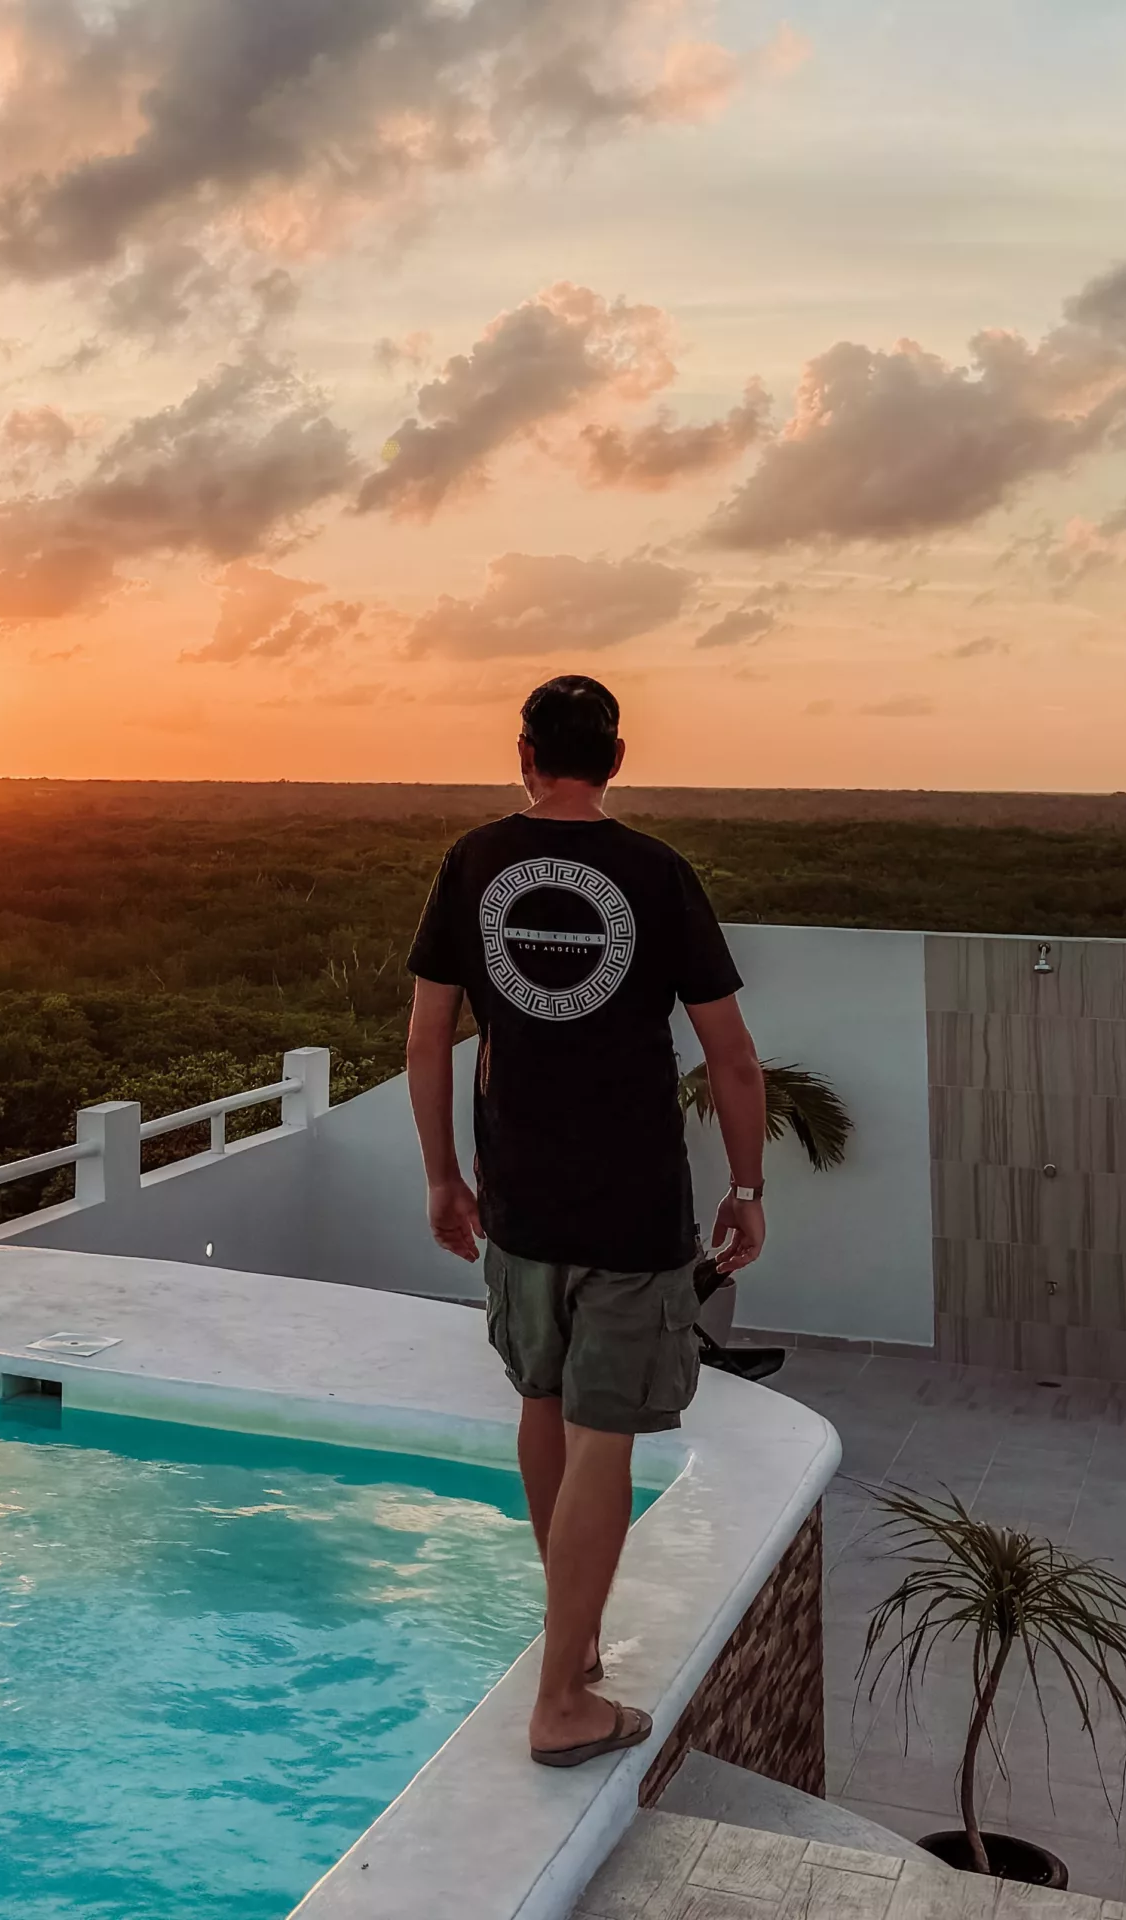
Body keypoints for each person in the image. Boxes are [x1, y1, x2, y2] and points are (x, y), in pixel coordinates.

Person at [404, 674, 769, 1768]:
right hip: (629, 1202)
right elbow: (734, 1058)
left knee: (542, 1401)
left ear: (524, 752)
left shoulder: (472, 862)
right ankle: (563, 1697)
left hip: (517, 1195)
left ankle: (577, 1641)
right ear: (616, 756)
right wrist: (746, 1190)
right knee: (599, 1431)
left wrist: (440, 1176)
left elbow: (427, 1042)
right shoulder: (655, 874)